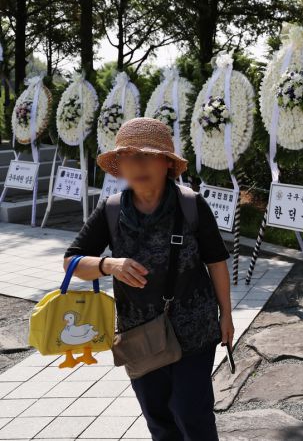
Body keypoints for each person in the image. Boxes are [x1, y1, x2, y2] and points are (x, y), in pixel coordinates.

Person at [63, 117, 233, 441]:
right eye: (128, 157)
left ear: (167, 163)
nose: (138, 165)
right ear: (120, 167)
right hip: (139, 334)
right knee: (159, 419)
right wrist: (109, 264)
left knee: (192, 413)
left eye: (147, 156)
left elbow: (216, 262)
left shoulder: (191, 205)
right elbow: (72, 262)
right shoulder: (111, 210)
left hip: (195, 331)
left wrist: (226, 314)